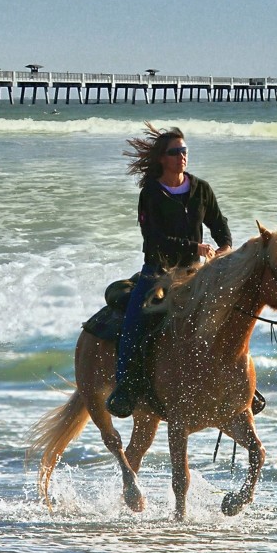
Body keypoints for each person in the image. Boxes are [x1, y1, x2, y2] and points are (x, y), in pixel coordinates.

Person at [106, 122, 232, 417]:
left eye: (185, 150)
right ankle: (126, 387)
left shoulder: (201, 188)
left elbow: (219, 225)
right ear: (162, 158)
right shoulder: (151, 192)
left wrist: (224, 249)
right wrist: (195, 248)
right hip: (158, 270)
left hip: (194, 271)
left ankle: (238, 384)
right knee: (135, 321)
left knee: (228, 314)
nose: (182, 156)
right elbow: (154, 239)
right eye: (175, 152)